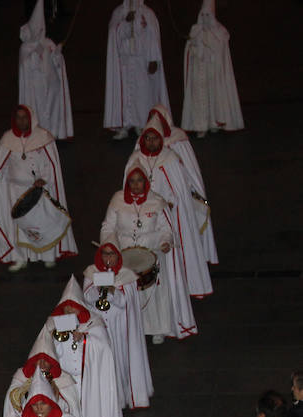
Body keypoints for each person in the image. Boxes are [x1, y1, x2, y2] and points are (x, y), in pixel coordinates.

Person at [40, 277, 131, 417]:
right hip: (64, 383)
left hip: (89, 382)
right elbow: (44, 351)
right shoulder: (51, 325)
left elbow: (104, 348)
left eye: (73, 308)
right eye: (66, 308)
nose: (70, 312)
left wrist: (85, 341)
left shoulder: (93, 323)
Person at [100, 168, 194, 346]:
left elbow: (167, 229)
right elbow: (108, 227)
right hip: (125, 254)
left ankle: (158, 329)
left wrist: (166, 242)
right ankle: (131, 329)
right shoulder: (117, 200)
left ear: (146, 182)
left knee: (155, 294)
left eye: (139, 181)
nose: (136, 185)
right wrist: (108, 248)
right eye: (132, 181)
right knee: (128, 295)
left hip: (152, 253)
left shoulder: (157, 202)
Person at [125, 119, 213, 300]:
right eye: (147, 138)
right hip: (145, 217)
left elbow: (180, 189)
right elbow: (128, 188)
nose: (150, 142)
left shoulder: (170, 159)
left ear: (160, 139)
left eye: (154, 139)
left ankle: (178, 291)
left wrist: (169, 203)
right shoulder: (135, 159)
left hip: (170, 216)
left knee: (172, 255)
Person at [0, 105, 76, 272]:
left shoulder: (43, 137)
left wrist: (44, 179)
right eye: (18, 117)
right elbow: (0, 166)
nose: (22, 121)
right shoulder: (7, 139)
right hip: (14, 191)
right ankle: (20, 258)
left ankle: (47, 256)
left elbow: (52, 166)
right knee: (18, 226)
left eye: (24, 117)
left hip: (37, 191)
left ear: (31, 118)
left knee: (42, 223)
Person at [82, 243, 153, 409]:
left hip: (120, 327)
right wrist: (98, 290)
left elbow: (126, 302)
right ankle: (105, 401)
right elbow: (86, 297)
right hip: (100, 326)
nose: (108, 259)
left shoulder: (127, 275)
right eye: (105, 254)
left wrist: (112, 292)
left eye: (111, 255)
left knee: (119, 362)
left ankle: (121, 398)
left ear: (118, 256)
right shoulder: (91, 272)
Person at [104, 0, 169, 139]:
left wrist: (153, 58)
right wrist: (126, 23)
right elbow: (113, 33)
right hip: (125, 61)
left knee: (143, 93)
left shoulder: (148, 13)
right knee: (125, 93)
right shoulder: (119, 12)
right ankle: (124, 125)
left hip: (141, 60)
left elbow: (153, 36)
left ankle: (142, 124)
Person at [181, 0, 243, 138]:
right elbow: (189, 49)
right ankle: (200, 126)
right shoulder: (196, 30)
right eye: (203, 15)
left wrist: (211, 50)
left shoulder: (220, 31)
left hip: (214, 72)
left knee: (215, 97)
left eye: (208, 15)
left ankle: (214, 123)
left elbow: (221, 50)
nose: (205, 18)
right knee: (200, 98)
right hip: (199, 70)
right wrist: (196, 47)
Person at [18, 0, 72, 140]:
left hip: (51, 84)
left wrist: (57, 52)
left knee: (53, 109)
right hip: (36, 88)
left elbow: (56, 60)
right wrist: (35, 55)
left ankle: (54, 132)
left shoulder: (47, 42)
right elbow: (26, 66)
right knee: (39, 110)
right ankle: (39, 133)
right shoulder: (26, 48)